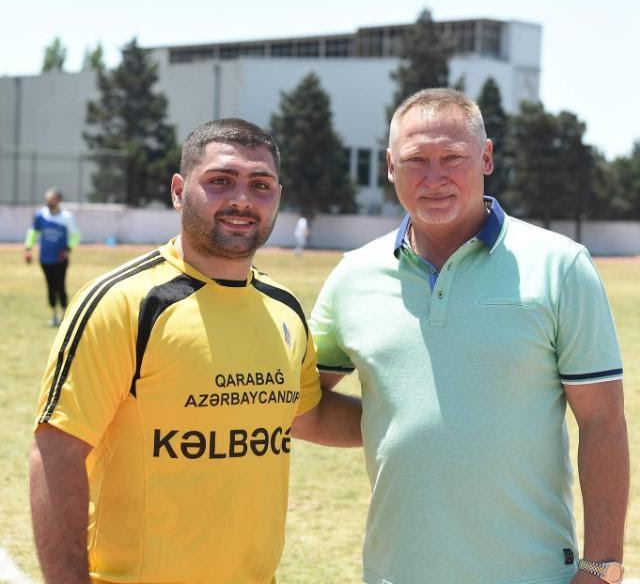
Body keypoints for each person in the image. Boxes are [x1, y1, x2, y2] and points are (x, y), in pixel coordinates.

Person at [310, 89, 629, 584]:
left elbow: (602, 419)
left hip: (533, 573)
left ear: (486, 158)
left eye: (453, 157)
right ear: (391, 166)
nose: (434, 178)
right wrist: (387, 421)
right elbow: (303, 405)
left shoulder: (560, 265)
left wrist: (602, 566)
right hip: (397, 572)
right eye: (416, 160)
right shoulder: (354, 275)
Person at [29, 118, 362, 584]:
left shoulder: (284, 309)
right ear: (179, 190)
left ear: (278, 197)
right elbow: (57, 449)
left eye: (260, 184)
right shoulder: (125, 302)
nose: (242, 199)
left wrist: (419, 420)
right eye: (221, 180)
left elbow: (309, 416)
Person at [24, 187, 81, 326]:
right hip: (45, 258)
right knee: (50, 286)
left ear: (59, 200)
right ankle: (54, 315)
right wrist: (28, 248)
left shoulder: (67, 217)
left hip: (60, 259)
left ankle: (64, 314)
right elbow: (33, 233)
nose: (49, 202)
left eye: (52, 199)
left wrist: (68, 249)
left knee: (60, 286)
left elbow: (76, 236)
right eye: (47, 199)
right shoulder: (40, 216)